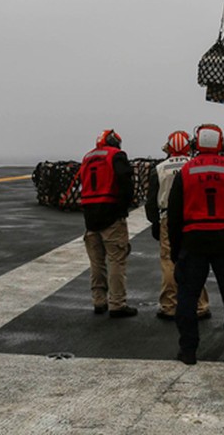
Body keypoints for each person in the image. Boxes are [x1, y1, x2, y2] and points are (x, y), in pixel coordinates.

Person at [167, 123, 224, 366]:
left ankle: (188, 351)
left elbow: (174, 215)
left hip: (193, 241)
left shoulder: (185, 171)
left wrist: (176, 249)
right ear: (222, 144)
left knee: (187, 297)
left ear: (196, 144)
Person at [146, 130, 210, 321]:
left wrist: (155, 223)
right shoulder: (195, 166)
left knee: (168, 261)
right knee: (196, 261)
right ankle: (200, 306)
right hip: (193, 218)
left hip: (168, 218)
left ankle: (169, 306)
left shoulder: (159, 169)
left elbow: (151, 201)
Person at [79, 129, 137, 318]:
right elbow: (125, 181)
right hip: (111, 215)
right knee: (116, 261)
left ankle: (98, 301)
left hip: (90, 217)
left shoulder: (87, 157)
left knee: (96, 262)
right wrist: (123, 208)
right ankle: (117, 303)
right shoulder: (116, 155)